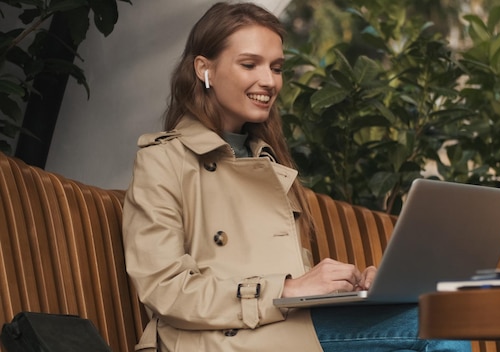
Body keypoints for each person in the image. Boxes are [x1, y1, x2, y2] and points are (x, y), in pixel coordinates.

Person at [122, 2, 471, 352]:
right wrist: (289, 290)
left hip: (275, 328)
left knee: (439, 312)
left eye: (276, 67)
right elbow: (164, 288)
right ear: (204, 69)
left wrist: (353, 292)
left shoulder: (268, 161)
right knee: (437, 322)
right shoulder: (163, 160)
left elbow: (284, 280)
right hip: (209, 340)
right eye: (250, 64)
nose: (269, 81)